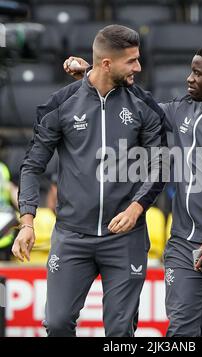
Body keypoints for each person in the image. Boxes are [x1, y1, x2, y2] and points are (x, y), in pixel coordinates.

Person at [63, 42, 202, 337]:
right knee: (180, 330)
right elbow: (141, 101)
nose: (189, 78)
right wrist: (93, 74)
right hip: (182, 244)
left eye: (197, 73)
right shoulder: (181, 109)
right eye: (190, 71)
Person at [12, 24, 166, 337]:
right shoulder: (60, 104)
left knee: (120, 331)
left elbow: (160, 164)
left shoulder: (143, 105)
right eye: (132, 61)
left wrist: (137, 209)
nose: (139, 66)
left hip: (125, 238)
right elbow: (31, 166)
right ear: (107, 63)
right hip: (71, 237)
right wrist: (27, 222)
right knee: (56, 324)